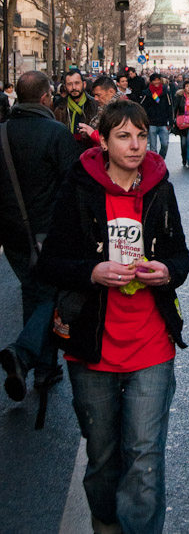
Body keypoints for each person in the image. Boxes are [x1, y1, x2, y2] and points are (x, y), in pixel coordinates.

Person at [37, 100, 189, 534]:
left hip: (151, 344)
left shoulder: (160, 186)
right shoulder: (80, 185)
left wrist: (167, 272)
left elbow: (180, 257)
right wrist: (92, 271)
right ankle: (106, 526)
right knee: (103, 458)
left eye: (141, 135)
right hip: (93, 345)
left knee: (144, 457)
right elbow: (50, 264)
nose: (137, 145)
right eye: (124, 136)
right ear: (103, 141)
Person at [0, 71, 77, 398]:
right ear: (46, 97)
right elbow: (73, 186)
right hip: (49, 233)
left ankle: (45, 371)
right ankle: (24, 353)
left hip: (13, 233)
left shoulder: (2, 132)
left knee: (33, 293)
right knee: (51, 296)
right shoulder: (56, 133)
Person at [54, 68, 98, 155]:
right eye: (70, 84)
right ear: (65, 87)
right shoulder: (59, 108)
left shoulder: (95, 105)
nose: (74, 87)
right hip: (67, 154)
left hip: (91, 155)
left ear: (84, 84)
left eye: (77, 83)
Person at [140, 73, 173, 158]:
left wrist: (171, 121)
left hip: (163, 121)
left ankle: (161, 159)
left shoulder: (165, 92)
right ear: (151, 82)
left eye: (158, 79)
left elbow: (170, 106)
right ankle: (155, 164)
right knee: (152, 148)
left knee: (165, 144)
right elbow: (142, 107)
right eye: (154, 80)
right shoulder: (146, 93)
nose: (156, 82)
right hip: (151, 122)